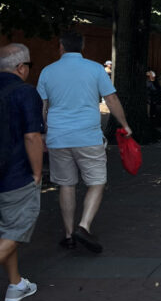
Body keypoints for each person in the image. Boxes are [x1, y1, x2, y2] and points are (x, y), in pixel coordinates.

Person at [37, 32, 132, 253]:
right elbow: (111, 99)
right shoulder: (96, 69)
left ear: (60, 46)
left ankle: (69, 235)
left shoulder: (47, 71)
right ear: (83, 47)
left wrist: (43, 134)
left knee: (66, 184)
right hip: (87, 136)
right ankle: (84, 225)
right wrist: (124, 124)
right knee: (97, 181)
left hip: (58, 137)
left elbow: (42, 106)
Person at [0, 44, 44, 301]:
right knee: (17, 228)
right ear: (21, 67)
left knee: (6, 229)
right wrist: (37, 173)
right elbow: (32, 136)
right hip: (15, 175)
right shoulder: (25, 92)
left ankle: (16, 284)